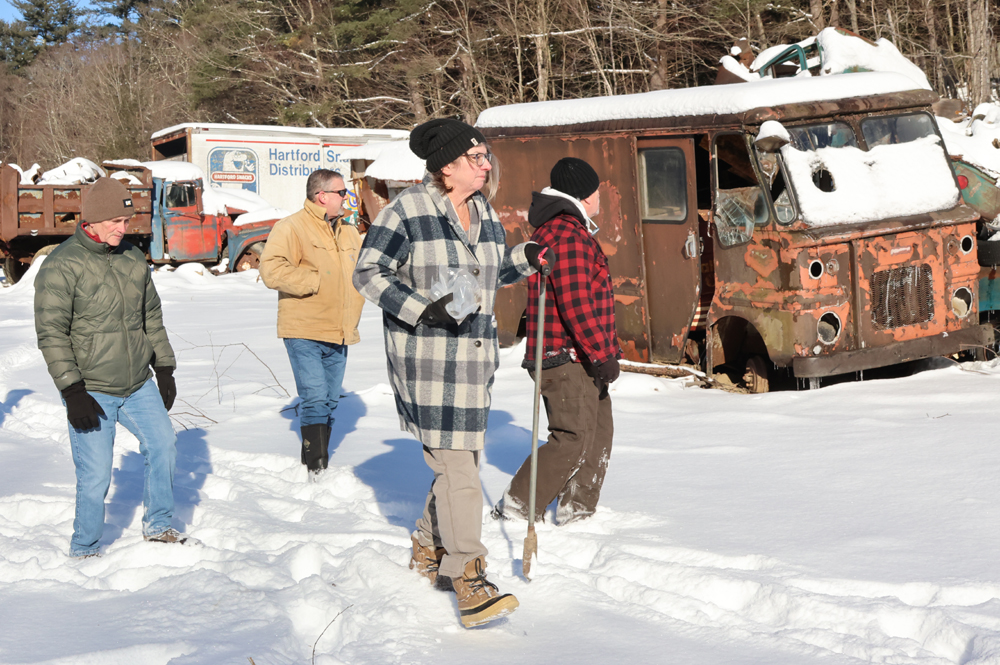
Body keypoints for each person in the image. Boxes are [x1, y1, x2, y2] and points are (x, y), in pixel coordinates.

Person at [353, 118, 549, 628]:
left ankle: (425, 544)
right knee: (461, 469)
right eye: (476, 158)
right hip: (427, 362)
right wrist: (422, 309)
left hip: (474, 359)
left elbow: (488, 274)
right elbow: (368, 273)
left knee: (455, 467)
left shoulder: (483, 211)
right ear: (447, 166)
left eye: (485, 157)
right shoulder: (406, 211)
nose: (486, 165)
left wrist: (523, 259)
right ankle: (467, 577)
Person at [34, 177, 184, 558]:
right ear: (94, 220)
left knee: (163, 445)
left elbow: (151, 315)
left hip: (137, 383)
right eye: (116, 221)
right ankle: (84, 548)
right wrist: (72, 391)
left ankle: (159, 524)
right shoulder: (61, 266)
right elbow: (51, 334)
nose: (124, 228)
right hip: (92, 389)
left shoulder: (132, 258)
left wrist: (164, 366)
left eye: (126, 221)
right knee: (96, 473)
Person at [492, 157, 620, 526]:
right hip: (566, 356)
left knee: (598, 432)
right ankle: (517, 505)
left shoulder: (567, 230)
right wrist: (601, 353)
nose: (599, 199)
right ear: (584, 195)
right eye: (596, 192)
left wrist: (601, 354)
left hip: (579, 355)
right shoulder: (567, 233)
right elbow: (576, 301)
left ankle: (577, 508)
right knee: (573, 437)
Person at [259, 169, 365, 477]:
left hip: (340, 328)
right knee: (316, 397)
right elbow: (272, 270)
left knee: (330, 400)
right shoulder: (291, 227)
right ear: (322, 196)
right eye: (341, 192)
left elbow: (363, 270)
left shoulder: (347, 231)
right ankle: (315, 468)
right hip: (304, 328)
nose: (346, 197)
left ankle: (319, 462)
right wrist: (316, 281)